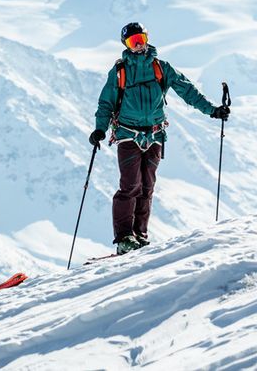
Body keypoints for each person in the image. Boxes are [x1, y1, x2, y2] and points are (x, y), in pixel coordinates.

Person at [89, 22, 230, 255]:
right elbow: (106, 103)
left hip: (155, 135)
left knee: (147, 186)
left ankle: (140, 235)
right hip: (127, 135)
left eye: (141, 39)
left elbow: (188, 91)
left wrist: (212, 110)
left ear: (147, 39)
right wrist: (99, 129)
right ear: (125, 45)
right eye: (133, 42)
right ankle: (124, 238)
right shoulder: (120, 72)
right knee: (130, 186)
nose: (138, 45)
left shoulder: (161, 68)